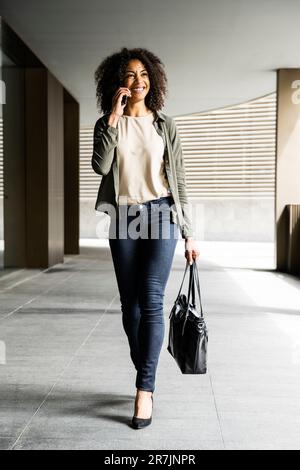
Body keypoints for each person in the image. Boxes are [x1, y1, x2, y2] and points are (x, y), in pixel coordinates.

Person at [92, 47, 200, 429]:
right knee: (130, 306)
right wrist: (113, 118)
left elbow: (180, 180)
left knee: (152, 299)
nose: (138, 82)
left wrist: (188, 232)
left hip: (161, 214)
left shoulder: (165, 125)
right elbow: (100, 166)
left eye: (144, 75)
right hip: (122, 215)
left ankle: (144, 389)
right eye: (130, 75)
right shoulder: (108, 123)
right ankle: (146, 366)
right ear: (118, 82)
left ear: (152, 80)